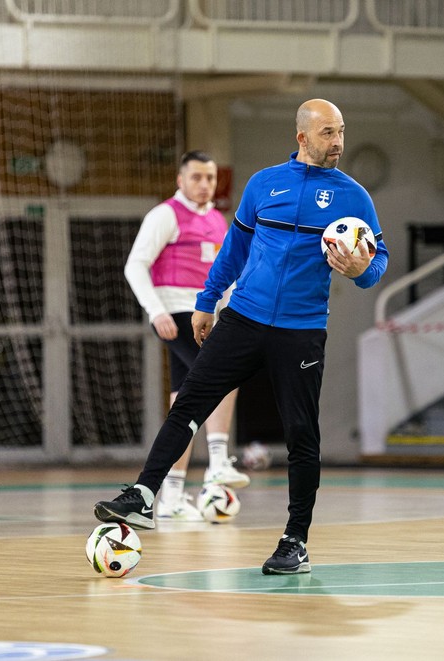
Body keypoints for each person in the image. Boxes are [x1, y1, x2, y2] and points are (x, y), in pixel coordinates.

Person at [94, 99, 389, 574]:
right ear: (302, 137)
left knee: (301, 435)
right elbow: (233, 250)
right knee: (189, 401)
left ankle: (295, 541)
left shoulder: (354, 197)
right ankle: (144, 495)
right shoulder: (263, 184)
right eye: (328, 133)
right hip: (243, 318)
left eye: (341, 132)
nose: (337, 143)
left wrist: (362, 269)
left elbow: (377, 263)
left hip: (302, 330)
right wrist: (208, 301)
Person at [124, 150, 248, 522]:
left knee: (185, 400)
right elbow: (135, 264)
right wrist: (156, 311)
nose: (204, 184)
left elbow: (226, 274)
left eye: (210, 178)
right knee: (222, 378)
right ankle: (218, 462)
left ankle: (173, 496)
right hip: (176, 312)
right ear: (181, 180)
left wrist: (231, 311)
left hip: (207, 315)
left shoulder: (216, 220)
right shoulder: (165, 215)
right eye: (196, 177)